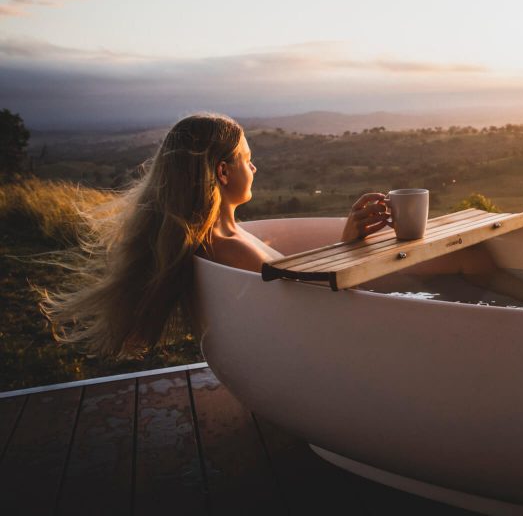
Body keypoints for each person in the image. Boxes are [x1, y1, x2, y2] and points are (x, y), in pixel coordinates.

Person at [40, 112, 389, 358]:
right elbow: (322, 309)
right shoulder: (231, 248)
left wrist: (347, 240)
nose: (254, 168)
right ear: (223, 171)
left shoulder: (220, 239)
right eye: (247, 160)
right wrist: (354, 250)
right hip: (311, 354)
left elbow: (304, 294)